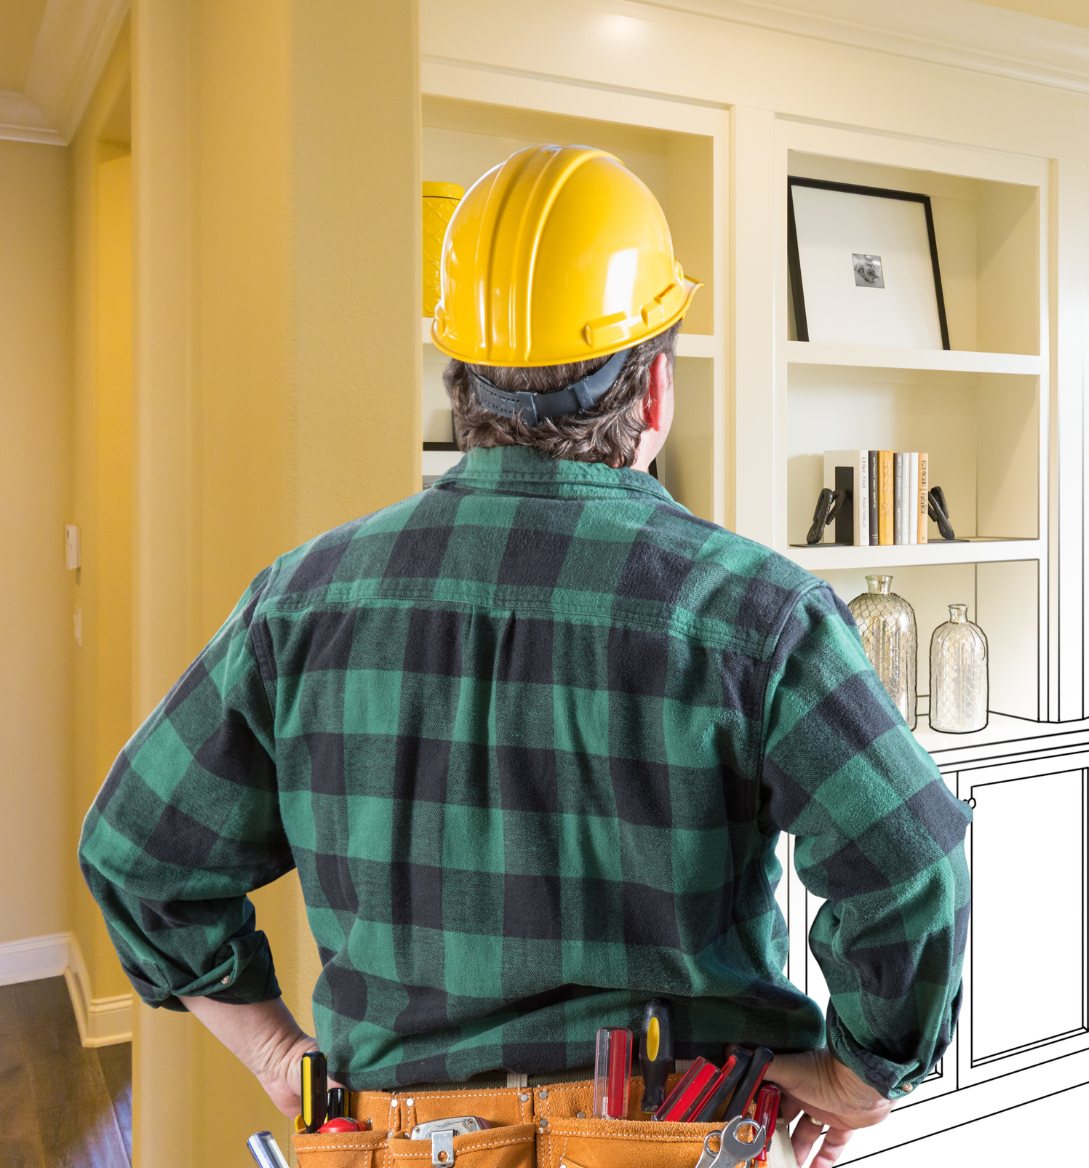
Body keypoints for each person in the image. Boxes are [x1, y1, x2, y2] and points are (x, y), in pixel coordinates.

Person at [79, 144, 970, 1168]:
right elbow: (911, 864)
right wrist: (860, 1070)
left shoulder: (306, 604)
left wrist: (282, 1054)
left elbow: (139, 856)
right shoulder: (756, 614)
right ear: (655, 391)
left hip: (396, 1141)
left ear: (460, 387)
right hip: (677, 1133)